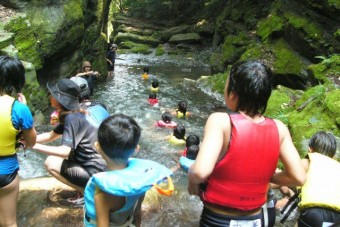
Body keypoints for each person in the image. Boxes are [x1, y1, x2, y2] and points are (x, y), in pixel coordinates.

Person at [188, 60, 306, 227]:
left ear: (232, 93)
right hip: (257, 220)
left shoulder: (220, 121)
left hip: (218, 219)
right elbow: (299, 177)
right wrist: (265, 177)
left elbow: (200, 172)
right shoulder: (280, 128)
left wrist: (192, 179)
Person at [84, 114, 173, 226]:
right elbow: (137, 214)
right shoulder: (140, 180)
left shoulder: (102, 193)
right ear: (136, 149)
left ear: (97, 147)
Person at [32, 78, 106, 202]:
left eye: (52, 93)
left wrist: (34, 146)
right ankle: (86, 189)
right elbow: (50, 136)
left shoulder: (72, 118)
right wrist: (28, 139)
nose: (49, 95)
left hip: (94, 173)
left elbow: (65, 151)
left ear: (59, 98)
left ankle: (86, 193)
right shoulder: (76, 114)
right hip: (99, 169)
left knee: (50, 162)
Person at [0, 56, 37, 227]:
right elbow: (32, 142)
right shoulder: (19, 109)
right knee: (8, 222)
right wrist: (25, 110)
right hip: (5, 172)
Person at [297, 131, 340, 227]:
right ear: (334, 156)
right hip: (338, 217)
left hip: (313, 214)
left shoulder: (307, 162)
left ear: (309, 150)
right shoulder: (338, 166)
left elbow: (281, 182)